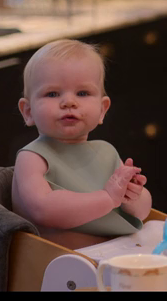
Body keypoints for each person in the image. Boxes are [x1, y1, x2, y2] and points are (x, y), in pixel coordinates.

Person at [12, 39, 151, 250]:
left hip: (115, 252)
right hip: (61, 261)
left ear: (102, 109)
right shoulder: (32, 158)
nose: (69, 102)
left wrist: (131, 197)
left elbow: (142, 213)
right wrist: (107, 198)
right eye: (52, 94)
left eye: (83, 93)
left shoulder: (106, 152)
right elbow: (44, 209)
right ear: (28, 112)